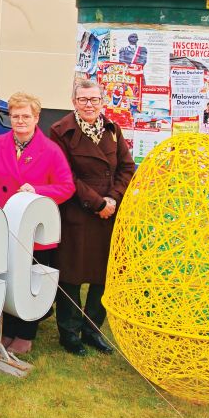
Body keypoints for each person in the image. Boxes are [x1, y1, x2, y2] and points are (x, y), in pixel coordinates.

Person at [0, 91, 74, 356]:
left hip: (35, 229)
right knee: (7, 277)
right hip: (4, 223)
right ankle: (7, 329)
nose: (20, 121)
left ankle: (26, 334)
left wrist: (38, 190)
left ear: (36, 118)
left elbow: (67, 186)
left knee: (31, 280)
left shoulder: (51, 150)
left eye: (26, 116)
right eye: (15, 116)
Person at [48, 79, 135, 357]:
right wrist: (97, 203)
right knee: (71, 275)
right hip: (78, 211)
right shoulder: (60, 130)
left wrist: (113, 199)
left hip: (109, 213)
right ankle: (70, 333)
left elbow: (126, 168)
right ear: (74, 102)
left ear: (102, 101)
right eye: (83, 99)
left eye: (94, 99)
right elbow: (65, 174)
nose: (89, 105)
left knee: (103, 276)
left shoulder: (112, 129)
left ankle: (93, 330)